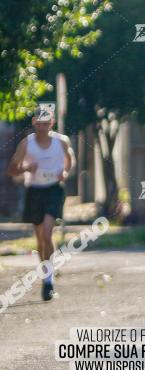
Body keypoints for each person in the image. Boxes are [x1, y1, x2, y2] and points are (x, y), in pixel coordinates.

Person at [7, 106, 75, 301]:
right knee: (40, 239)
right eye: (39, 124)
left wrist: (64, 172)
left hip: (54, 190)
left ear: (51, 123)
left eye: (46, 124)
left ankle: (49, 280)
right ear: (34, 123)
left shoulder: (61, 142)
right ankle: (46, 276)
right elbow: (12, 169)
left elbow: (70, 160)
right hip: (34, 191)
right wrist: (27, 167)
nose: (43, 128)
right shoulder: (26, 144)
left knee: (47, 232)